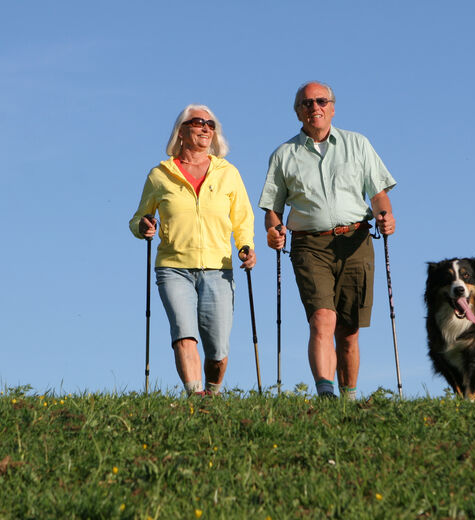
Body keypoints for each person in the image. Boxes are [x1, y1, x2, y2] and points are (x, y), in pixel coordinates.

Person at [259, 81, 396, 399]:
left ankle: (347, 398)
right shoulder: (283, 155)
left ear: (332, 107)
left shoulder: (357, 144)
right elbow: (273, 209)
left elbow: (378, 195)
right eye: (306, 103)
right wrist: (274, 232)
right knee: (322, 319)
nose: (314, 108)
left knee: (348, 331)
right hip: (309, 246)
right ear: (297, 112)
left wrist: (385, 216)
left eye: (321, 101)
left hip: (355, 241)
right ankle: (326, 395)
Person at [130, 104, 256, 396]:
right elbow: (137, 218)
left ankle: (212, 393)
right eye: (198, 122)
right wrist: (143, 226)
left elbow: (243, 218)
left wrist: (246, 247)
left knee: (218, 349)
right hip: (173, 268)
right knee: (184, 334)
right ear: (181, 131)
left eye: (211, 124)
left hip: (218, 268)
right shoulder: (160, 174)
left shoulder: (228, 173)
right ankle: (195, 396)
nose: (205, 128)